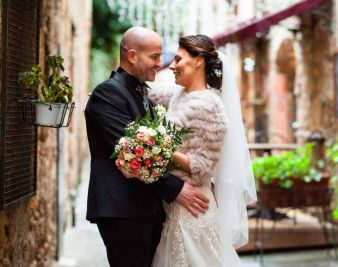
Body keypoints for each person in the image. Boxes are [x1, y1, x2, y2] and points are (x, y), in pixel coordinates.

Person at [84, 27, 210, 267]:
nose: (159, 63)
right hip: (122, 210)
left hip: (146, 209)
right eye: (154, 57)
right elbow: (132, 153)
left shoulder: (141, 92)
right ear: (132, 56)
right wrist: (177, 189)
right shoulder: (107, 94)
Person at [149, 35, 257, 267]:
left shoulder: (210, 106)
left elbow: (202, 168)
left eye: (178, 59)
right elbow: (149, 92)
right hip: (174, 205)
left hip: (192, 208)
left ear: (198, 61)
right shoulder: (180, 94)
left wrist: (156, 150)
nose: (171, 65)